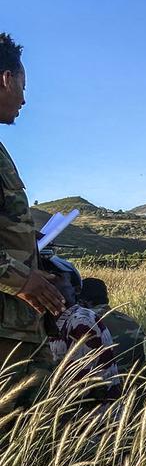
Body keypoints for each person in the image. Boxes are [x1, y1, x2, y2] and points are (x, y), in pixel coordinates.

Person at [0, 33, 65, 412]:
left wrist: (31, 253)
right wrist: (20, 276)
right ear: (5, 78)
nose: (24, 99)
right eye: (22, 87)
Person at [45, 257, 121, 404]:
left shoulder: (80, 321)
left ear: (77, 289)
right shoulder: (49, 323)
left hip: (89, 419)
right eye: (42, 274)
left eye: (56, 275)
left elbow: (80, 388)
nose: (47, 280)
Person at [79, 277, 145, 372]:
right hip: (136, 382)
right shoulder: (130, 321)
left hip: (101, 384)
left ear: (82, 302)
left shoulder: (83, 325)